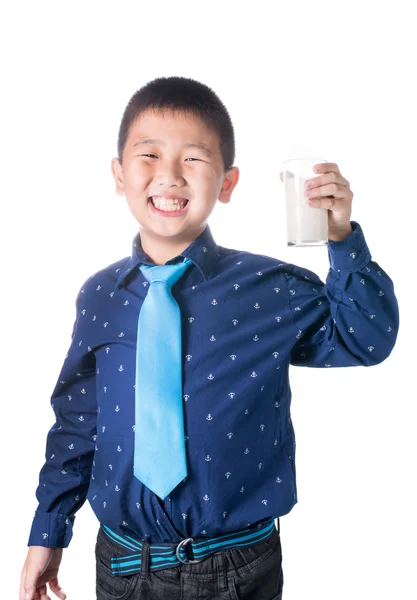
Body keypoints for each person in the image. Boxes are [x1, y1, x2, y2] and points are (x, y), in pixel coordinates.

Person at [19, 76, 400, 600]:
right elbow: (79, 422)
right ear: (119, 173)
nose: (169, 176)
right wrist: (48, 530)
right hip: (123, 565)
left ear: (227, 182)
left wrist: (342, 239)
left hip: (238, 568)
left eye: (193, 159)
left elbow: (367, 338)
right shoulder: (100, 296)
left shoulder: (273, 290)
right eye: (148, 155)